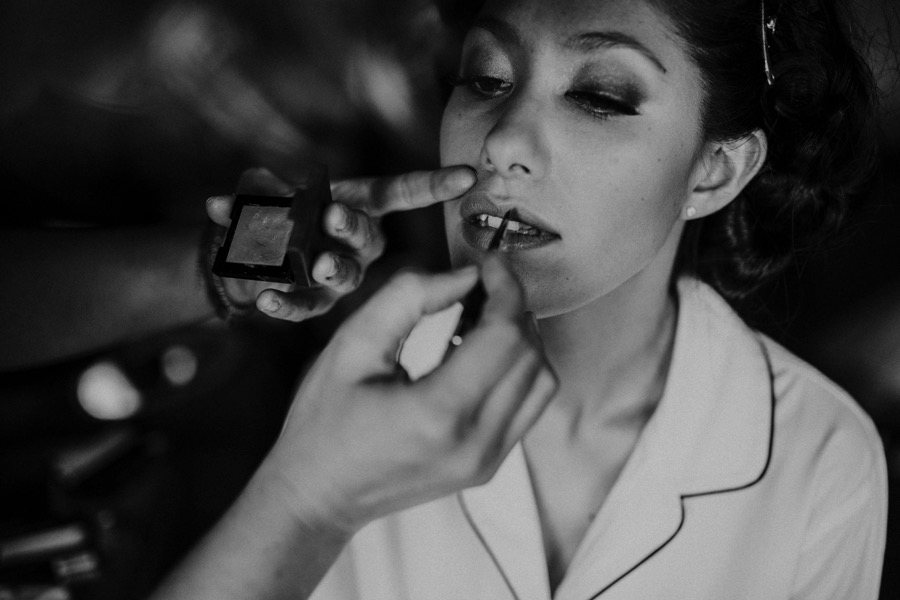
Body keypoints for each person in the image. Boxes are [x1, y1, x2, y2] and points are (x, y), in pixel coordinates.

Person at [150, 0, 888, 598]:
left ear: (715, 171)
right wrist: (229, 261)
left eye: (600, 96)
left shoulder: (820, 459)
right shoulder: (344, 391)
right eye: (487, 79)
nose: (503, 141)